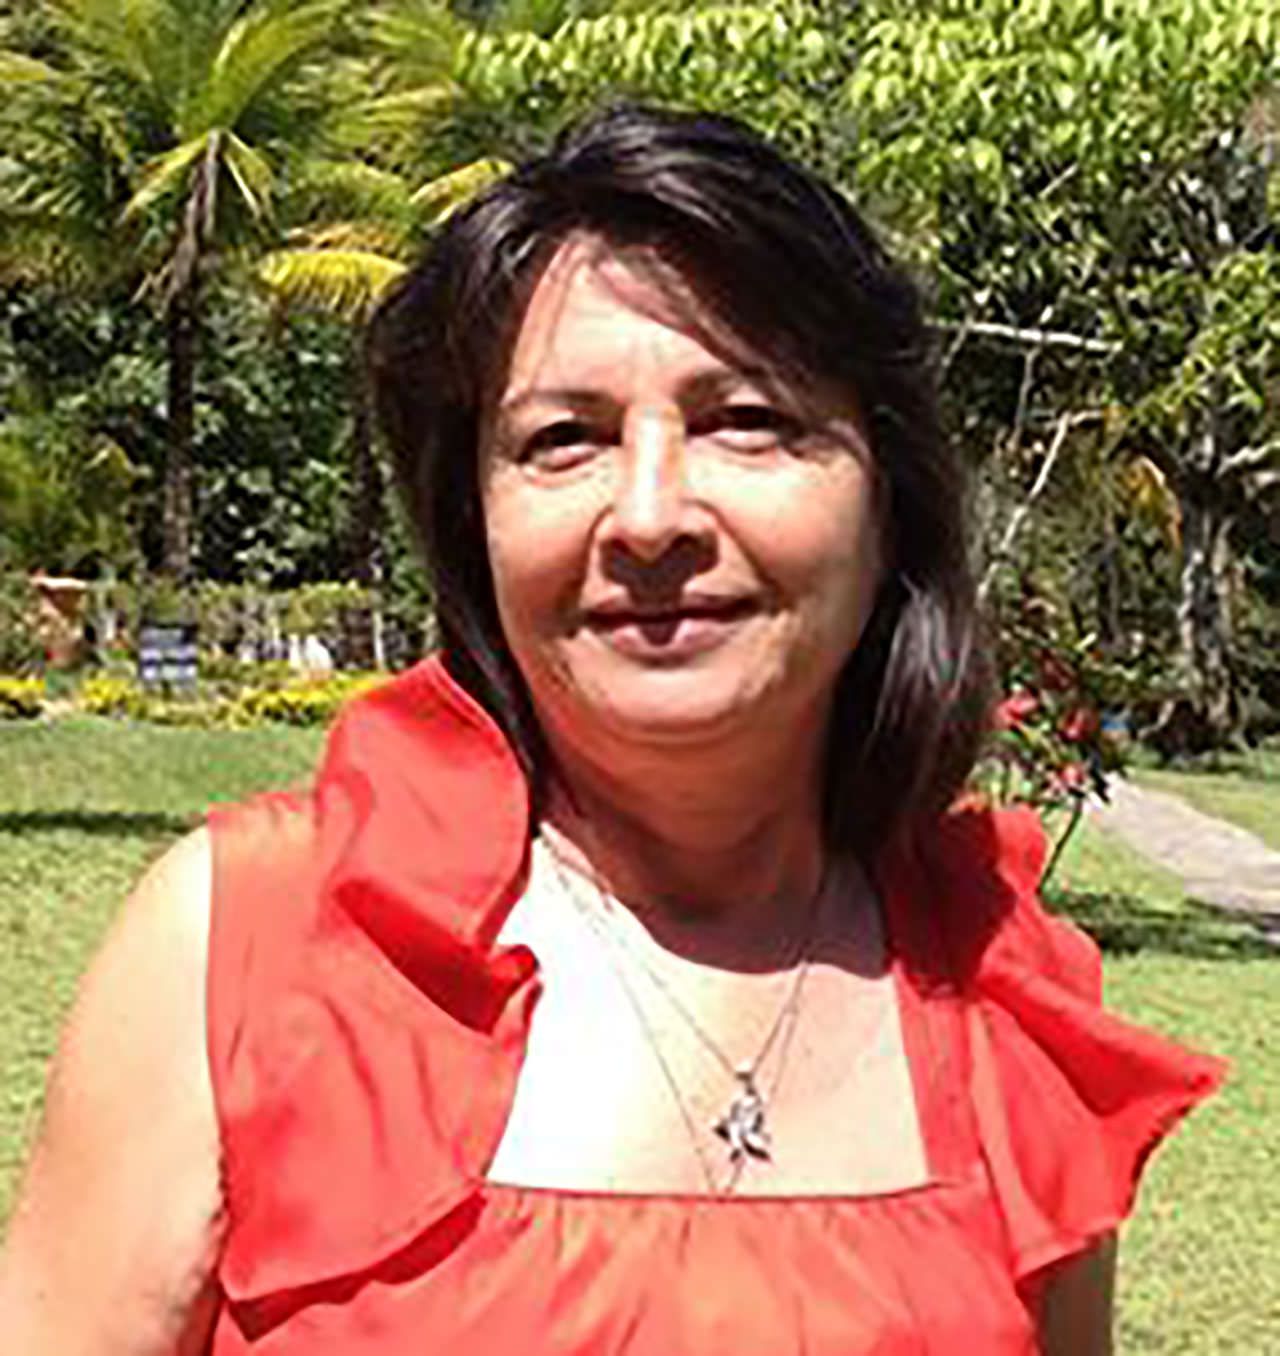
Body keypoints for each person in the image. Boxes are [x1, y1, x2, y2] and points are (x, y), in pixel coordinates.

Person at [0, 104, 1222, 1355]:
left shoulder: (1008, 992)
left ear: (887, 497)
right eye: (562, 439)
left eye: (745, 419)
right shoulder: (243, 944)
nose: (647, 516)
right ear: (473, 522)